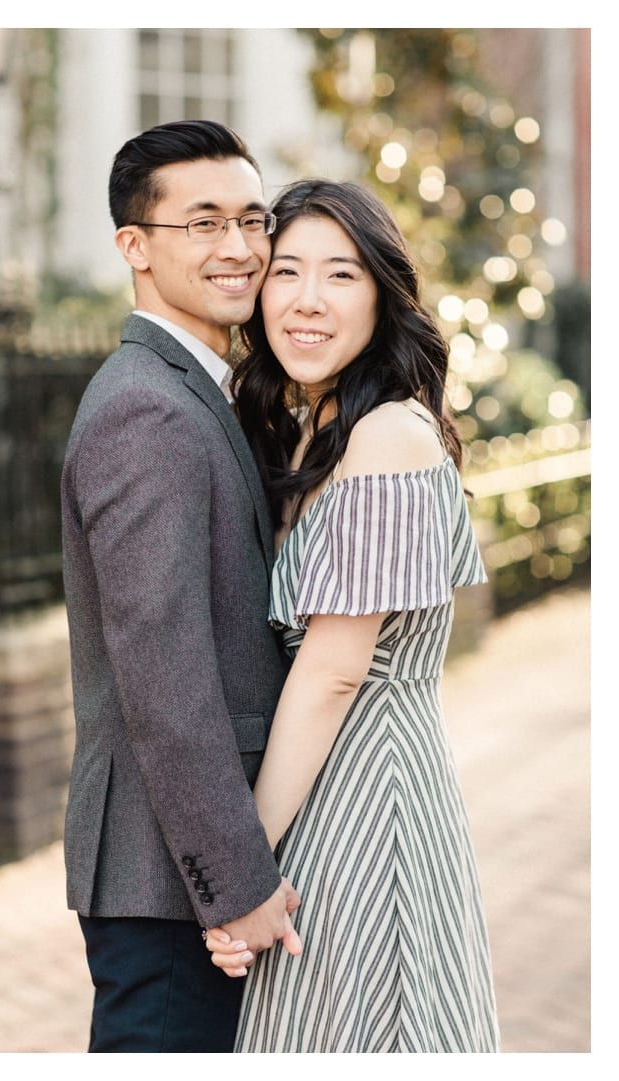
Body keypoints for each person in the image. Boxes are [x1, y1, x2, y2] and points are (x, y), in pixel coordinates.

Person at [205, 178, 500, 1051]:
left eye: (340, 275)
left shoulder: (388, 437)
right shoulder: (318, 427)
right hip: (321, 789)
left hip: (371, 798)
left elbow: (335, 669)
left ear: (383, 292)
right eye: (286, 271)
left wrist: (239, 869)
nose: (305, 300)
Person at [60, 120, 302, 1053]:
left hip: (185, 863)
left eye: (252, 218)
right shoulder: (145, 409)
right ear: (135, 246)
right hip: (169, 877)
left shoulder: (204, 388)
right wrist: (238, 883)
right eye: (203, 224)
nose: (240, 248)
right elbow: (164, 677)